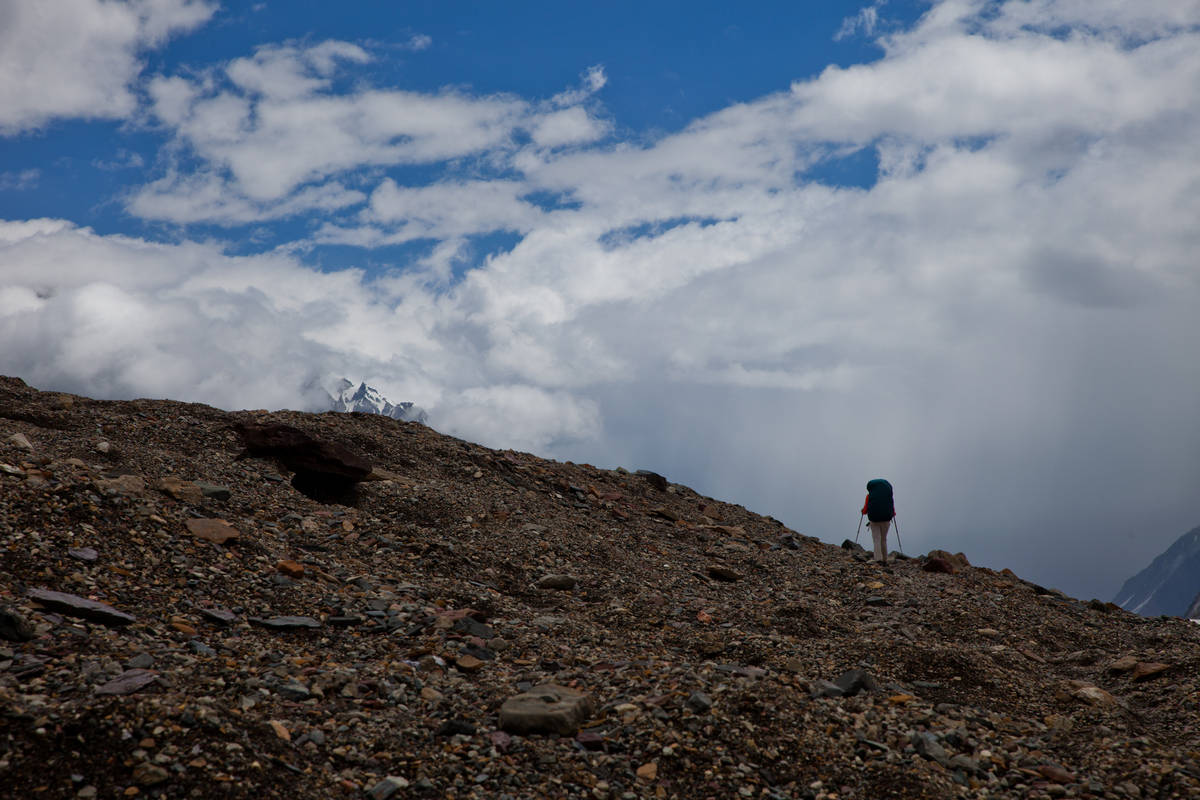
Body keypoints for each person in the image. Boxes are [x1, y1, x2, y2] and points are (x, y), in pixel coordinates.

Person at [861, 478, 895, 563]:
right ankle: (885, 559)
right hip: (886, 520)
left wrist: (863, 511)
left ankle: (878, 559)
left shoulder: (869, 496)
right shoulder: (888, 496)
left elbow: (865, 510)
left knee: (876, 539)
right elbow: (892, 509)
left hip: (874, 520)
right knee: (883, 539)